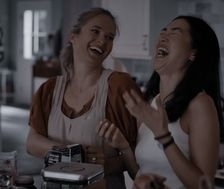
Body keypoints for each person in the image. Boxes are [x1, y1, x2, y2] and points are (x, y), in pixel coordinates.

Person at [96, 15, 222, 189]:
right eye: (163, 31)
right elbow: (139, 173)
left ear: (193, 53)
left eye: (175, 32)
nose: (163, 36)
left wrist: (163, 137)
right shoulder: (150, 104)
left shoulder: (199, 104)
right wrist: (124, 146)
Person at [26, 7, 142, 189]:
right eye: (95, 31)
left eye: (109, 37)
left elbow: (140, 157)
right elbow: (32, 143)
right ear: (73, 37)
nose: (102, 41)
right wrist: (75, 155)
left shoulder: (119, 86)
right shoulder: (48, 89)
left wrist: (106, 163)